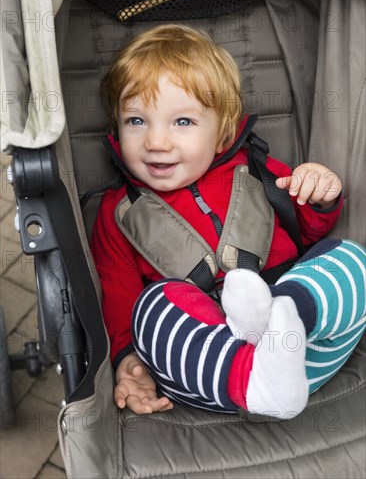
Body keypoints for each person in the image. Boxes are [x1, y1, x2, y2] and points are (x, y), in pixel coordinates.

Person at [91, 24, 366, 419]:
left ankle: (281, 322)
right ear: (116, 126)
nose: (155, 141)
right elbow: (118, 298)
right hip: (209, 368)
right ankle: (253, 377)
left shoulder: (255, 169)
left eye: (182, 122)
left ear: (221, 131)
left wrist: (318, 197)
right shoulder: (119, 213)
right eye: (136, 121)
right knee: (149, 309)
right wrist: (127, 360)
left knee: (350, 258)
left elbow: (306, 233)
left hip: (305, 353)